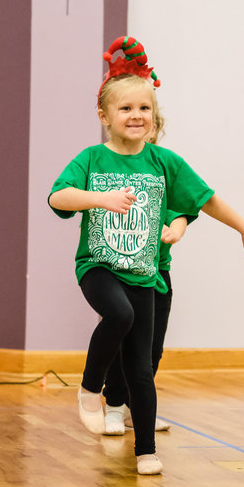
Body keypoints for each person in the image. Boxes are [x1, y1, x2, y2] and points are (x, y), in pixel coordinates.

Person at [49, 36, 244, 475]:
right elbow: (57, 198)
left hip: (145, 273)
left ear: (154, 115)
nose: (136, 116)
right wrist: (99, 199)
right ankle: (90, 389)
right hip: (99, 267)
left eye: (144, 108)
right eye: (125, 108)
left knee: (142, 368)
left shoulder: (164, 162)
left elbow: (206, 200)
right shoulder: (91, 158)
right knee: (119, 316)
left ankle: (145, 450)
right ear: (104, 115)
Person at [102, 107, 186, 436]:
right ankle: (113, 404)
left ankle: (137, 406)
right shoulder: (120, 173)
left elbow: (182, 211)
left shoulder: (163, 172)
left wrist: (176, 230)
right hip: (122, 271)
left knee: (151, 348)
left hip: (157, 272)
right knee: (123, 340)